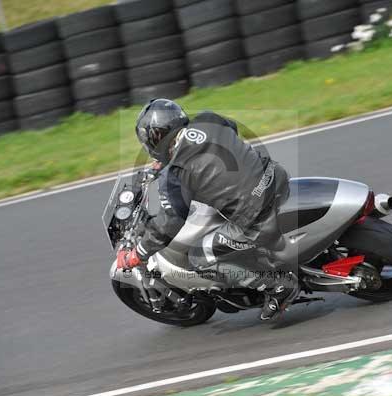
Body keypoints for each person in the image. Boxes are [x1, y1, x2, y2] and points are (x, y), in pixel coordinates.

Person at [116, 98, 298, 320]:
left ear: (157, 137)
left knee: (199, 258)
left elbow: (171, 221)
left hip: (255, 217)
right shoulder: (207, 119)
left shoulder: (175, 176)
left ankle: (277, 286)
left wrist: (139, 253)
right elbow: (231, 129)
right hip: (274, 178)